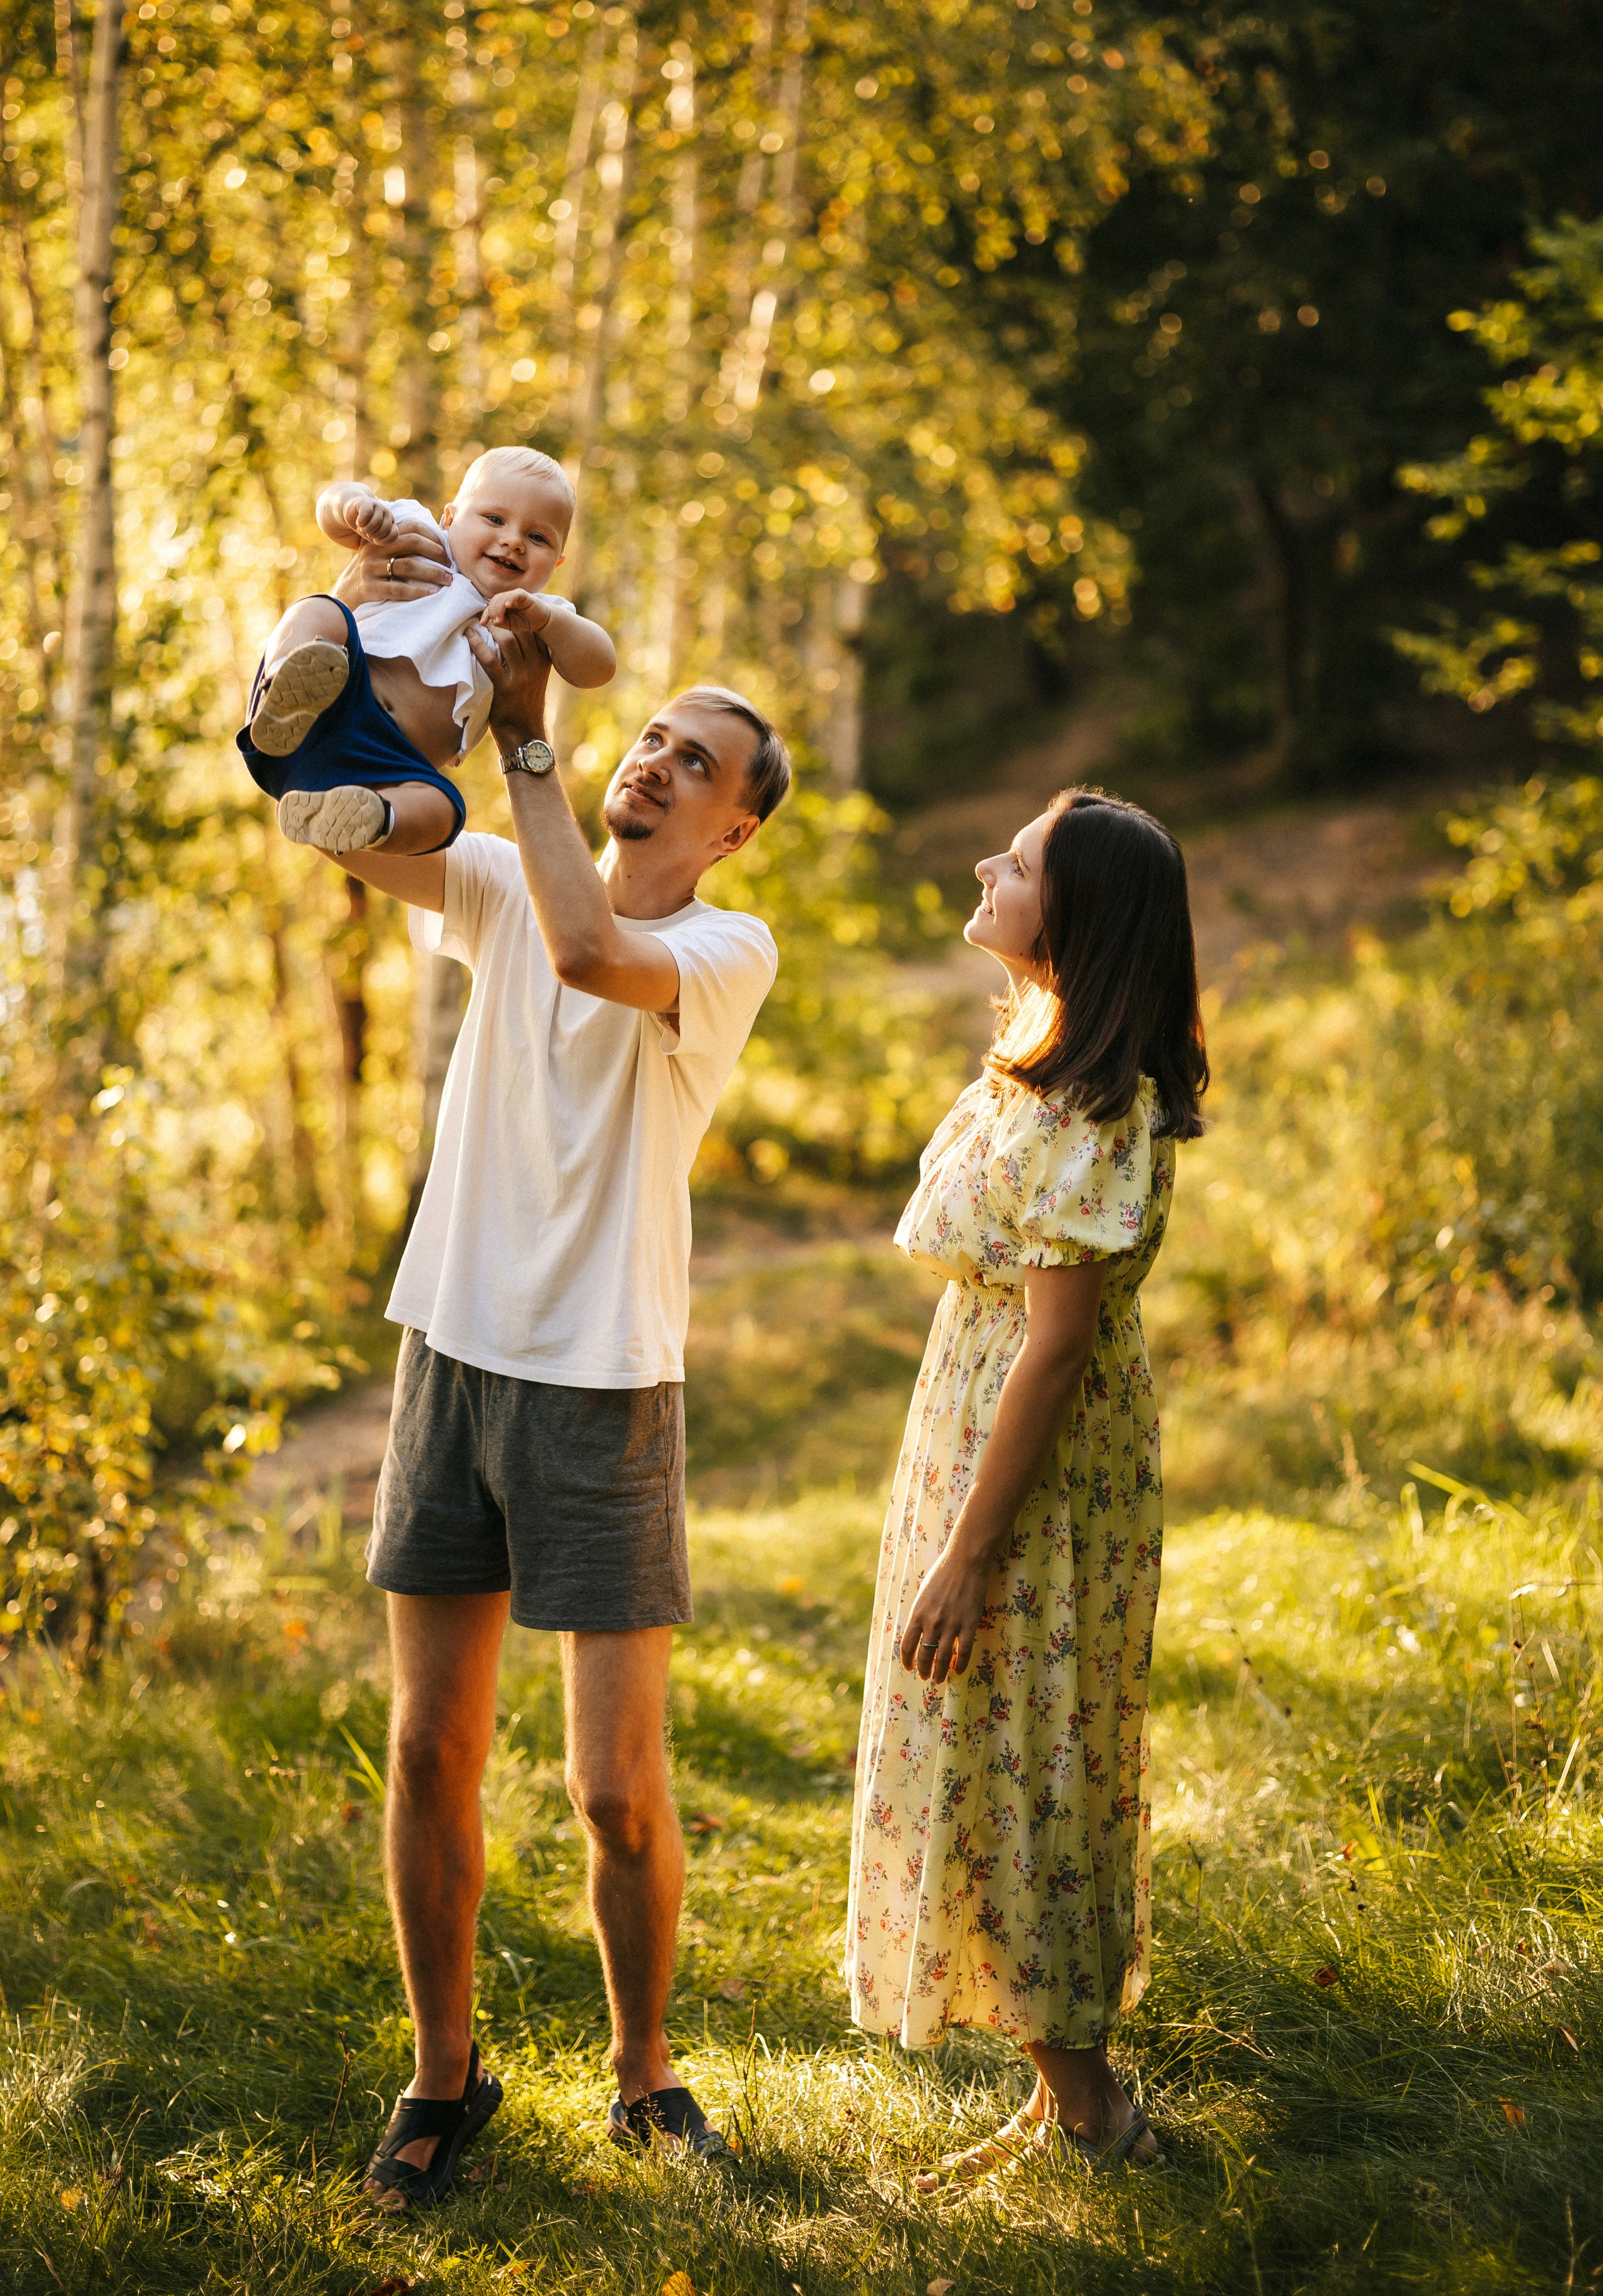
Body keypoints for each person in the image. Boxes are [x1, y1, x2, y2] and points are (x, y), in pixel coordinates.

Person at [302, 540, 790, 2210]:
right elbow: (341, 817)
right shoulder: (505, 881)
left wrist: (530, 743)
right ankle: (445, 2080)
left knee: (613, 1789)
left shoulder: (727, 954)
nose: (656, 762)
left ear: (731, 829)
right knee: (430, 1748)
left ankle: (645, 2076)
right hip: (452, 1358)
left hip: (599, 1387)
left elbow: (591, 951)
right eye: (649, 736)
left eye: (695, 764)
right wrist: (370, 641)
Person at [845, 788, 1208, 2185]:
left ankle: (1095, 2114)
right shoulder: (1033, 1060)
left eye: (1023, 861)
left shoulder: (1093, 1109)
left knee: (1016, 1763)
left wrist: (967, 1553)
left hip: (1033, 1473)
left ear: (1082, 916)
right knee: (980, 1752)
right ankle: (1064, 2098)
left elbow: (1054, 1352)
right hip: (974, 1427)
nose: (986, 863)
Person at [235, 446, 615, 857]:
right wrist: (356, 506)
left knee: (445, 812)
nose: (513, 541)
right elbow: (329, 508)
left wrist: (548, 621)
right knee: (319, 610)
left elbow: (599, 666)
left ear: (557, 564)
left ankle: (372, 818)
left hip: (391, 766)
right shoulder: (419, 535)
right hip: (335, 700)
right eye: (495, 519)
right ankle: (284, 690)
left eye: (537, 537)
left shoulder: (533, 616)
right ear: (450, 518)